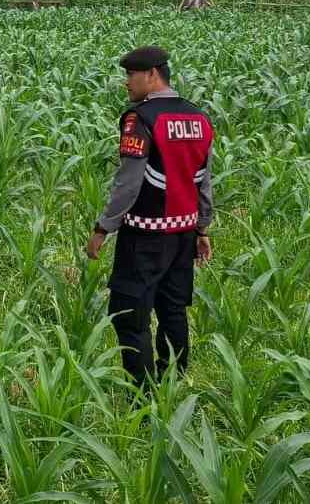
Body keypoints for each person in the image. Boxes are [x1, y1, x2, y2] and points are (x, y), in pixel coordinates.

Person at [86, 45, 214, 390]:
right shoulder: (198, 117)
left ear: (152, 74)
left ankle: (141, 396)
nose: (126, 82)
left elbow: (128, 184)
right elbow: (204, 178)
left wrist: (103, 228)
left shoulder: (140, 119)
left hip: (145, 234)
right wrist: (202, 228)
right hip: (184, 233)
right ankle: (174, 379)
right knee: (173, 308)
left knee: (130, 314)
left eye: (130, 75)